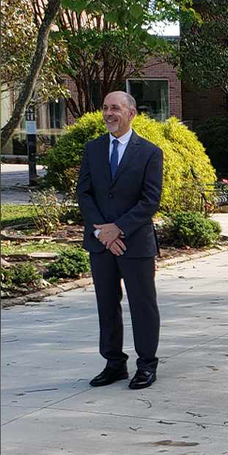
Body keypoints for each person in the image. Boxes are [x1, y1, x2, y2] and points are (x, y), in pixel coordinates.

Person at [76, 91, 164, 389]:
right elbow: (84, 194)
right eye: (105, 108)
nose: (108, 113)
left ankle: (146, 365)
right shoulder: (92, 149)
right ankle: (114, 364)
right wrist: (102, 231)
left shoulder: (150, 152)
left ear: (131, 113)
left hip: (135, 243)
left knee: (143, 305)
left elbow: (150, 201)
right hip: (101, 242)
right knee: (107, 304)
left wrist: (118, 229)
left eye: (115, 108)